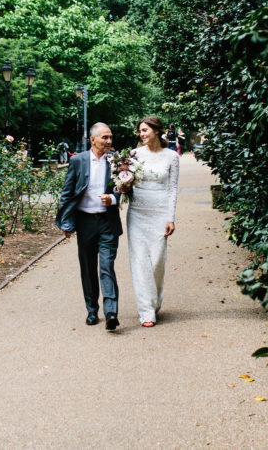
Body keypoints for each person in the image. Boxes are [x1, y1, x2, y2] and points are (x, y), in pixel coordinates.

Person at [55, 122, 122, 330]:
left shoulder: (118, 161)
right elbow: (67, 192)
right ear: (92, 140)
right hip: (85, 222)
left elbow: (126, 188)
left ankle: (111, 312)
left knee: (107, 266)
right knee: (88, 268)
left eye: (110, 137)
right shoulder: (79, 161)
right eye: (105, 138)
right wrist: (65, 221)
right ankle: (92, 310)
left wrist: (113, 198)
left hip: (107, 222)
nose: (109, 141)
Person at [123, 115, 180, 327]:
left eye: (145, 130)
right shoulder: (134, 154)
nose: (141, 134)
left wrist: (170, 217)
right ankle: (146, 310)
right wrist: (122, 186)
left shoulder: (172, 157)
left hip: (159, 212)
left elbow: (173, 188)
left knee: (157, 261)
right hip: (137, 212)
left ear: (156, 130)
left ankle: (155, 302)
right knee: (139, 261)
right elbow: (125, 180)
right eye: (140, 131)